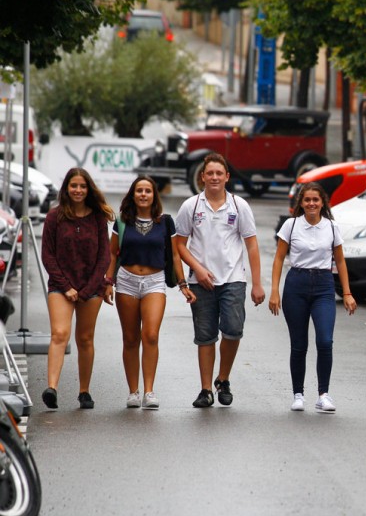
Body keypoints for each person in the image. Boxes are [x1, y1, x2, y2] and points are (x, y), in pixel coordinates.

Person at [174, 153, 266, 408]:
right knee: (205, 336)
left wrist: (257, 284)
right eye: (209, 173)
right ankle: (205, 390)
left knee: (234, 330)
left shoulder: (239, 206)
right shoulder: (191, 206)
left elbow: (252, 245)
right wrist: (197, 269)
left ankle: (222, 379)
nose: (214, 177)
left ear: (227, 177)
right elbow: (179, 245)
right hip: (201, 282)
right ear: (202, 176)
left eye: (219, 173)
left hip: (233, 279)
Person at [103, 176, 196, 410]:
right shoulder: (123, 221)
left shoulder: (165, 222)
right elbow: (113, 253)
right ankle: (133, 392)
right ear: (133, 195)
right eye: (139, 191)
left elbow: (175, 255)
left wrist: (183, 284)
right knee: (131, 337)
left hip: (154, 281)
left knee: (151, 335)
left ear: (154, 195)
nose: (143, 194)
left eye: (148, 191)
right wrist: (108, 282)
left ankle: (149, 391)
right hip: (127, 281)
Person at [269, 182, 357, 413]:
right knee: (299, 345)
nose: (311, 204)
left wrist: (347, 293)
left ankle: (323, 394)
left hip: (323, 286)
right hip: (296, 284)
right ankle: (298, 394)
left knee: (325, 341)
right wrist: (275, 291)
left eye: (315, 200)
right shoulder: (291, 225)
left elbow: (340, 261)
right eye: (306, 200)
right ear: (301, 202)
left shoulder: (331, 227)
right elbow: (279, 259)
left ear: (322, 203)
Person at [40, 168, 115, 410]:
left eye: (82, 186)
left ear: (88, 189)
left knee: (85, 338)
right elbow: (48, 256)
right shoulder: (54, 217)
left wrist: (87, 289)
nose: (78, 190)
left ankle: (84, 391)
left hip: (90, 288)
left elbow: (104, 257)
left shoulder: (98, 219)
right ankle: (52, 388)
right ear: (66, 189)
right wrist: (66, 287)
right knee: (59, 334)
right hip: (61, 287)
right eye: (74, 186)